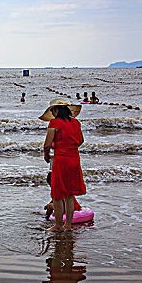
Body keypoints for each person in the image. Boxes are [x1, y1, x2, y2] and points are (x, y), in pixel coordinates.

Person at [40, 98, 85, 231]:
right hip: (74, 159)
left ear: (56, 110)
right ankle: (68, 225)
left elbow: (47, 144)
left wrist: (46, 156)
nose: (52, 113)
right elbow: (80, 141)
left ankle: (58, 225)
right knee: (69, 194)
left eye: (52, 110)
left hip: (61, 160)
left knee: (58, 194)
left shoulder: (54, 123)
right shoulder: (76, 123)